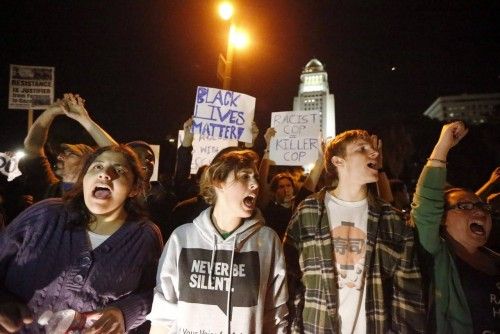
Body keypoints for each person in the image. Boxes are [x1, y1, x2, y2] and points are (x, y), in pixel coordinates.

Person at [0, 145, 163, 333]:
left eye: (119, 170)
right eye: (97, 167)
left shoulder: (145, 236)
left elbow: (153, 294)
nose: (105, 174)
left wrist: (124, 314)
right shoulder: (44, 216)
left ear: (134, 189)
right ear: (84, 180)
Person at [284, 129, 426, 333]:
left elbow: (408, 296)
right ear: (338, 161)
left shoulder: (392, 220)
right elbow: (290, 280)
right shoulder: (308, 211)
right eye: (362, 148)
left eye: (374, 149)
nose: (375, 153)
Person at [148, 149, 288, 333]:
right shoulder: (182, 238)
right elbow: (163, 313)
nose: (255, 184)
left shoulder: (268, 240)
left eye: (255, 178)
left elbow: (275, 315)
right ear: (218, 181)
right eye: (245, 176)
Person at [411, 121, 500, 333]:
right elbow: (425, 207)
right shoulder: (437, 257)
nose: (479, 212)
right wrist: (442, 147)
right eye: (465, 206)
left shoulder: (495, 259)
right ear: (441, 218)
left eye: (482, 206)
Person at [20, 93, 117, 202]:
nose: (60, 156)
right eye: (62, 153)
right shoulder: (50, 189)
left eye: (71, 153)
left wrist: (84, 119)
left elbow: (119, 156)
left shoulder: (99, 194)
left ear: (88, 164)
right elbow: (33, 146)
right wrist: (51, 112)